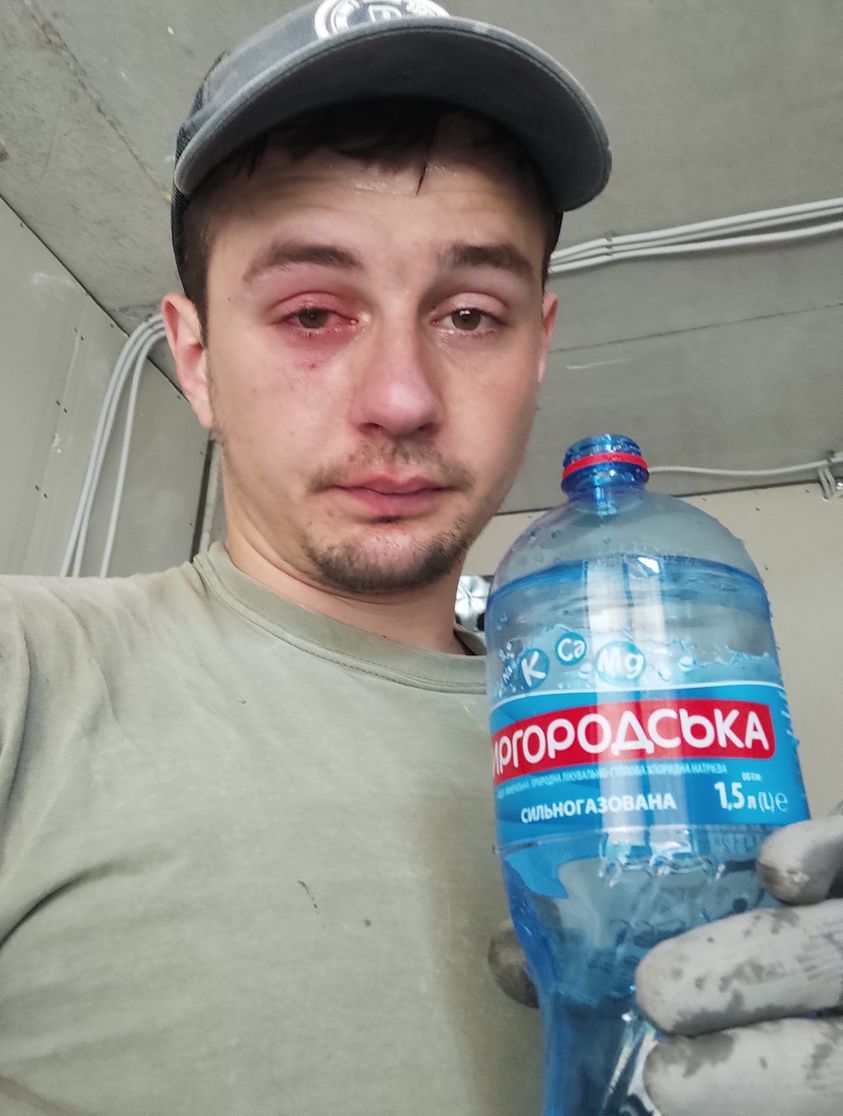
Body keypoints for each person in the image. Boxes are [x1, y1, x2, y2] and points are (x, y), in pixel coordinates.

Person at [0, 2, 839, 1114]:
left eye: (471, 315)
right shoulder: (27, 671)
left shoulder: (650, 740)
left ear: (537, 350)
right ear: (196, 361)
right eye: (311, 313)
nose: (401, 397)